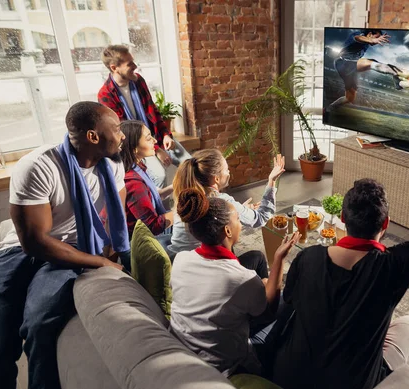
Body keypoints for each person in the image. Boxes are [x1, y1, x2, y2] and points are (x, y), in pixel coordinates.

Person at [271, 132, 409, 389]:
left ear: (343, 218)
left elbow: (287, 311)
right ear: (385, 224)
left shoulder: (307, 259)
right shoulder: (393, 267)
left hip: (287, 378)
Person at [0, 101, 129, 389]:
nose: (122, 135)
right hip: (20, 252)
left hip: (71, 249)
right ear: (93, 136)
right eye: (116, 129)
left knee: (38, 323)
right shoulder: (39, 166)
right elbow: (35, 242)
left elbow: (115, 220)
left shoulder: (114, 164)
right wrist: (97, 261)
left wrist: (109, 254)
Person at [170, 187, 300, 376]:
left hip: (186, 348)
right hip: (223, 363)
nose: (241, 223)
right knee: (290, 299)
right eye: (238, 219)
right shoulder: (241, 279)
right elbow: (269, 312)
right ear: (228, 230)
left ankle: (252, 302)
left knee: (256, 257)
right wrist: (279, 259)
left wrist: (259, 286)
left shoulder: (181, 259)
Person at [98, 44, 191, 188]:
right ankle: (158, 210)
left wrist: (166, 134)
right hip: (137, 147)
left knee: (191, 166)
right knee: (159, 176)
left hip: (157, 137)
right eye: (130, 64)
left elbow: (153, 111)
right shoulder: (105, 95)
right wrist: (157, 149)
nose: (135, 66)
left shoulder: (138, 81)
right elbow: (126, 131)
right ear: (114, 68)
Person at [168, 149, 284, 255]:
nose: (229, 172)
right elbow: (261, 218)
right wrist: (272, 180)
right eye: (226, 170)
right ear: (216, 179)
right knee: (257, 257)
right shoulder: (221, 201)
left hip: (177, 260)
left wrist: (235, 212)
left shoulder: (186, 198)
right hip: (206, 267)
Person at [325, 29, 409, 113]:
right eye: (377, 37)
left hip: (349, 68)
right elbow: (358, 38)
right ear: (370, 33)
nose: (378, 40)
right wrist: (371, 40)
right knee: (371, 62)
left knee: (349, 98)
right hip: (343, 62)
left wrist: (372, 41)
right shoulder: (358, 34)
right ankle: (406, 74)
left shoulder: (366, 44)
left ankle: (329, 109)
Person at [119, 120, 176, 254]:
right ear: (134, 148)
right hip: (139, 244)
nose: (155, 141)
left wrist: (176, 185)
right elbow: (154, 226)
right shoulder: (133, 181)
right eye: (149, 138)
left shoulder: (137, 168)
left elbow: (153, 195)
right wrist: (183, 211)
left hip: (147, 233)